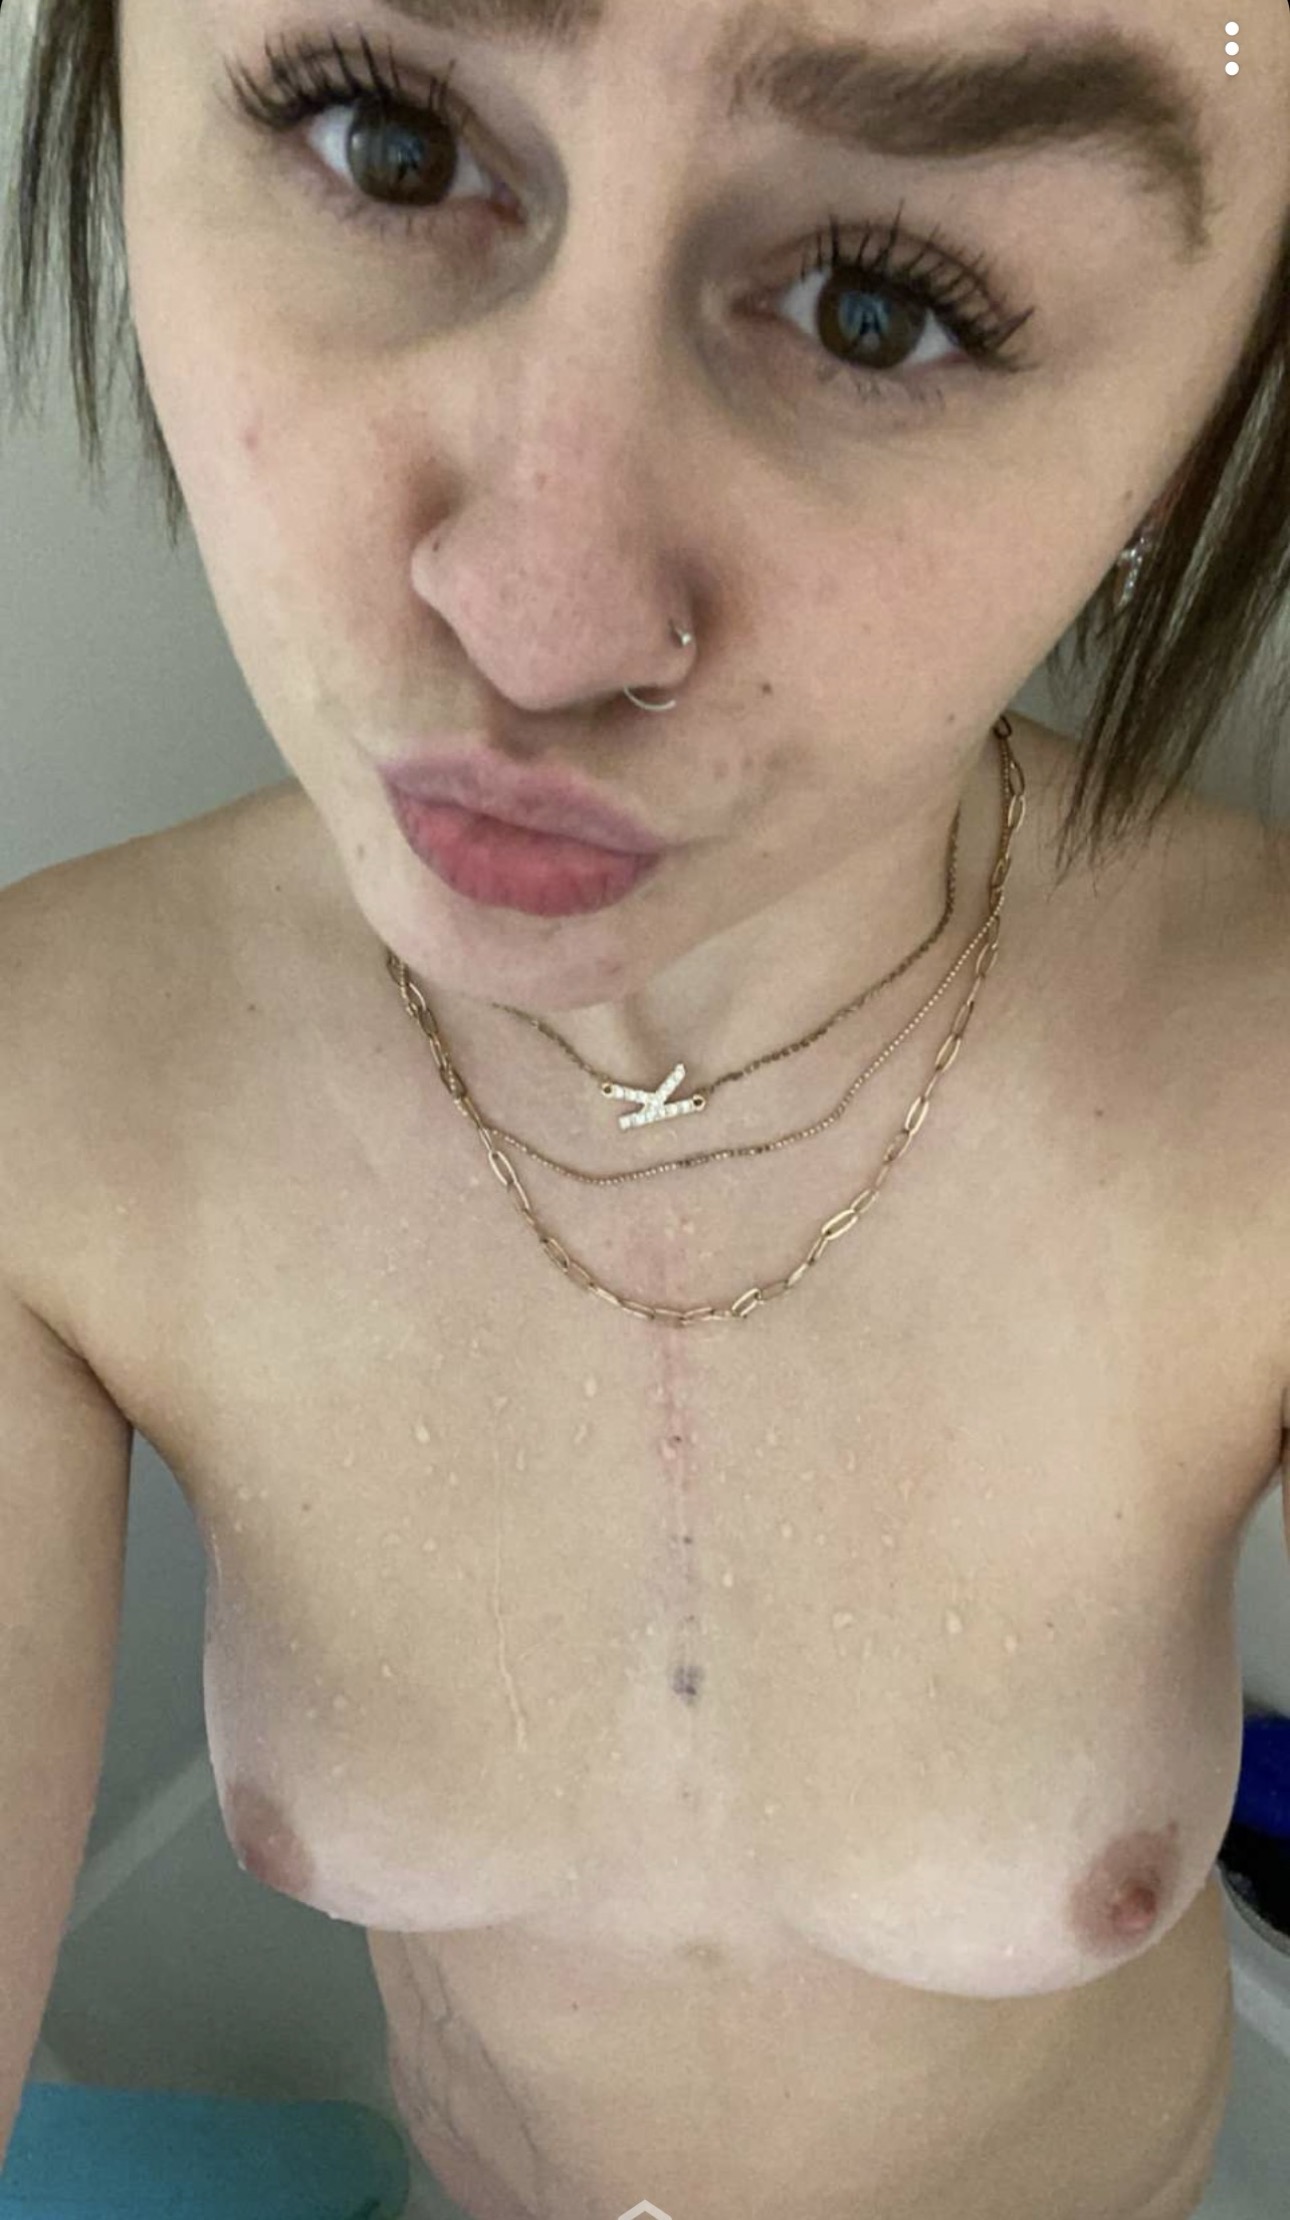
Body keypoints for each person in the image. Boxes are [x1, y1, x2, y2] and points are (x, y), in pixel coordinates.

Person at [1, 0, 1289, 2214]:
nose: (535, 620)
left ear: (1196, 423)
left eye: (882, 305)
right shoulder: (54, 1099)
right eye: (388, 143)